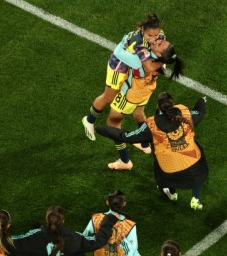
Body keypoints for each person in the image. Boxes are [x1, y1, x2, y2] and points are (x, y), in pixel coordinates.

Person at [96, 92, 208, 210]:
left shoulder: (152, 125)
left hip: (168, 166)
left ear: (158, 106)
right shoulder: (185, 114)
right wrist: (201, 102)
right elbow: (199, 113)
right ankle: (195, 199)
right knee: (197, 175)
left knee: (167, 175)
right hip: (193, 161)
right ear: (173, 104)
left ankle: (172, 194)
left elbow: (126, 136)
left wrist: (103, 129)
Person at [82, 13, 166, 142]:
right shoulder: (137, 42)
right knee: (109, 96)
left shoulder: (160, 36)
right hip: (119, 67)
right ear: (143, 30)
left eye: (156, 35)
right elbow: (148, 66)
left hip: (132, 66)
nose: (153, 39)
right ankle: (89, 120)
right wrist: (166, 61)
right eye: (150, 35)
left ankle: (139, 139)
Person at [105, 39, 184, 170]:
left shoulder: (143, 61)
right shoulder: (160, 62)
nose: (156, 41)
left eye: (159, 44)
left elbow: (119, 53)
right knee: (138, 113)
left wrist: (126, 40)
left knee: (113, 124)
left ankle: (125, 161)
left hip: (130, 95)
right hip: (146, 90)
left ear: (159, 55)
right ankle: (145, 145)